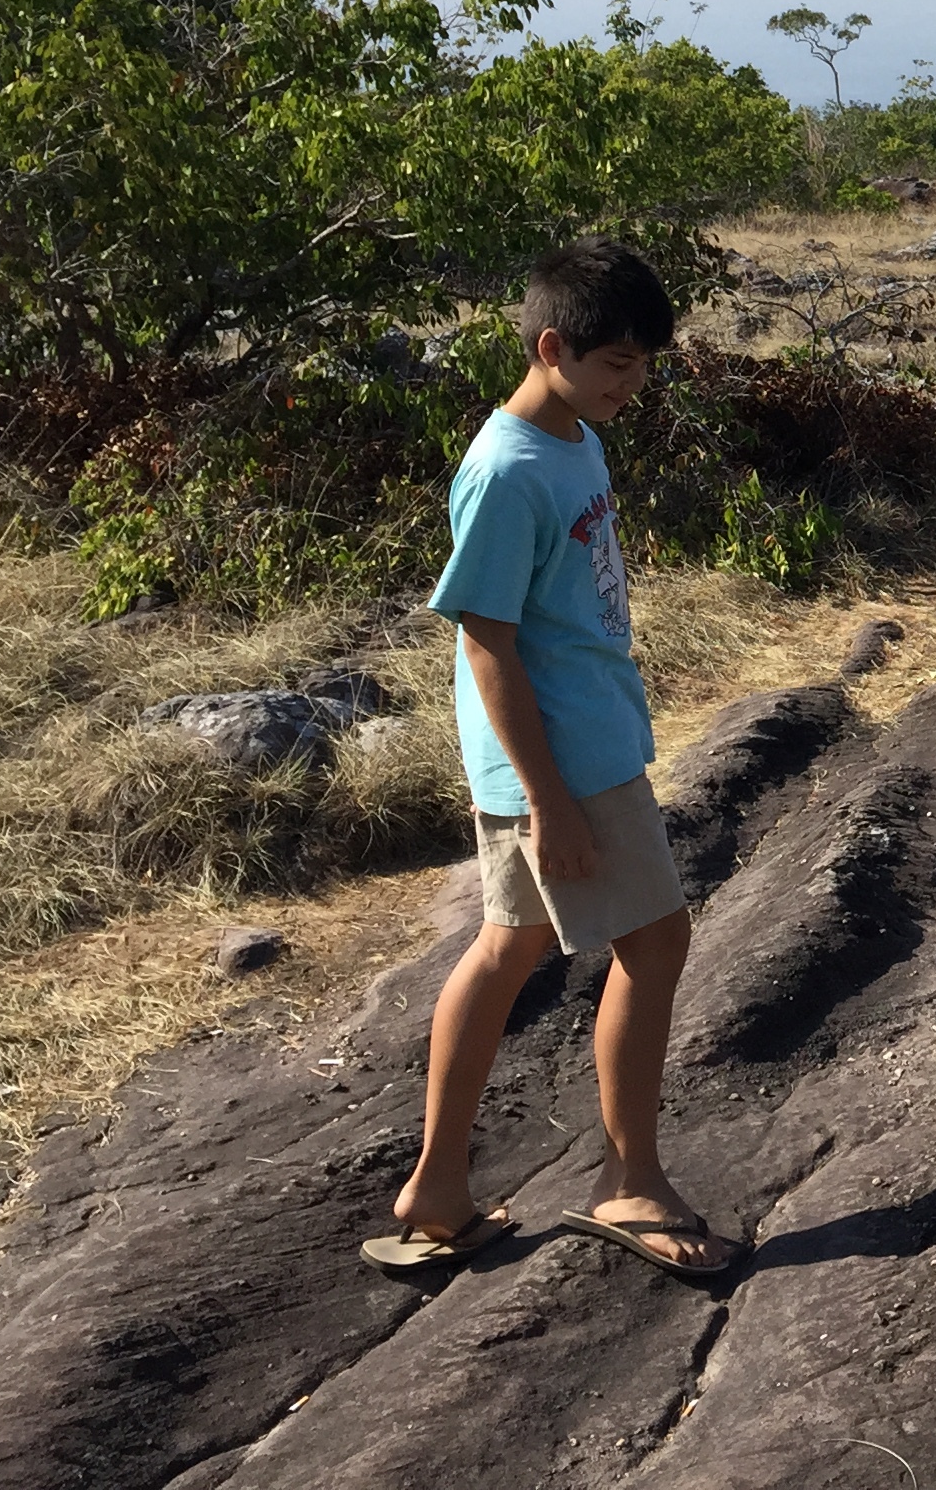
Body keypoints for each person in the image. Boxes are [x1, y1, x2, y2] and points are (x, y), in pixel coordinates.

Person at [363, 237, 745, 1281]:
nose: (636, 385)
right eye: (619, 364)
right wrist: (548, 801)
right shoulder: (506, 469)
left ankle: (438, 1189)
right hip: (561, 764)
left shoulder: (574, 432)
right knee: (656, 943)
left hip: (584, 740)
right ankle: (630, 1180)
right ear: (551, 346)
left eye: (644, 365)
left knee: (508, 948)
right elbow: (482, 639)